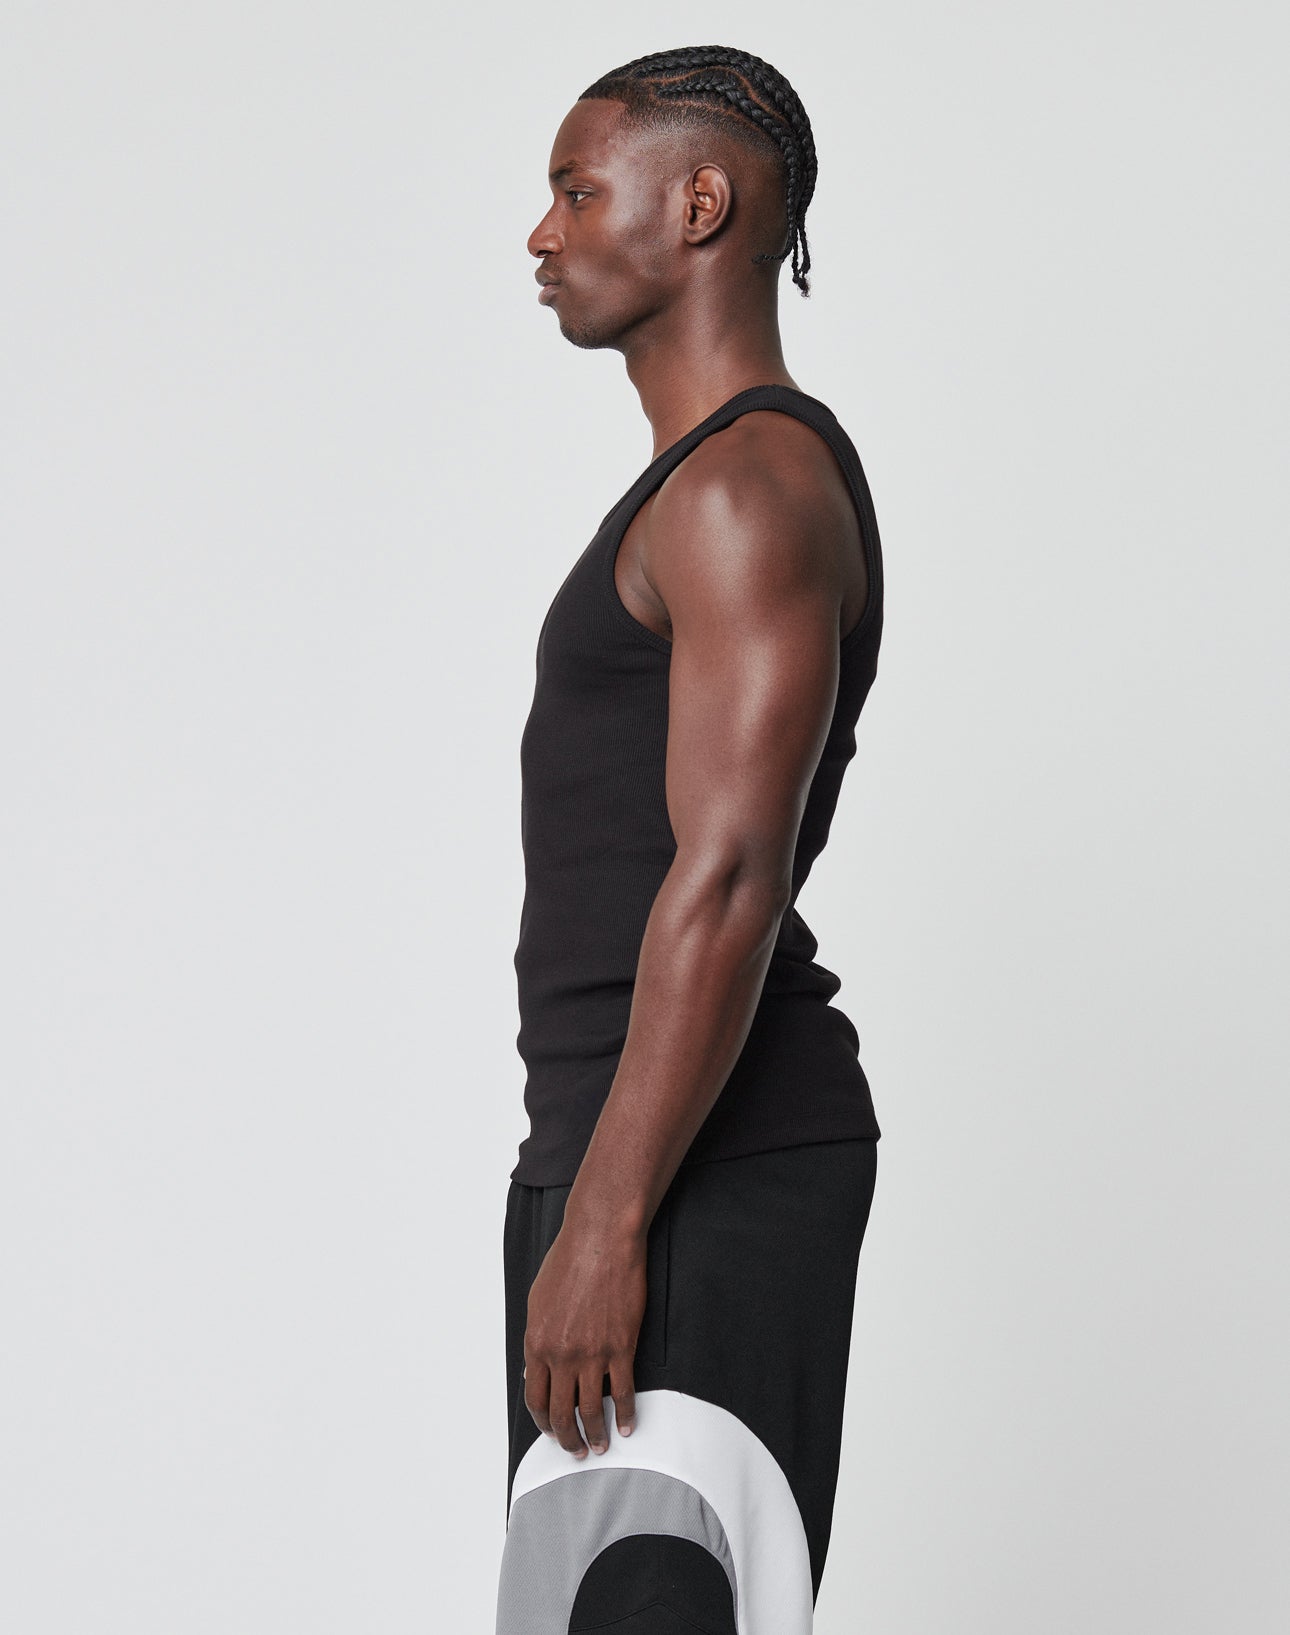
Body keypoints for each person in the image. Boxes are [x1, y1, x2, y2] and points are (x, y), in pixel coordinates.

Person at [498, 45, 886, 1633]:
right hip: (625, 1151)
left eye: (576, 188)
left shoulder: (747, 486)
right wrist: (583, 1194)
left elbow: (725, 877)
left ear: (700, 202)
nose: (540, 234)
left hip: (689, 1173)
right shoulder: (696, 488)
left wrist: (606, 1222)